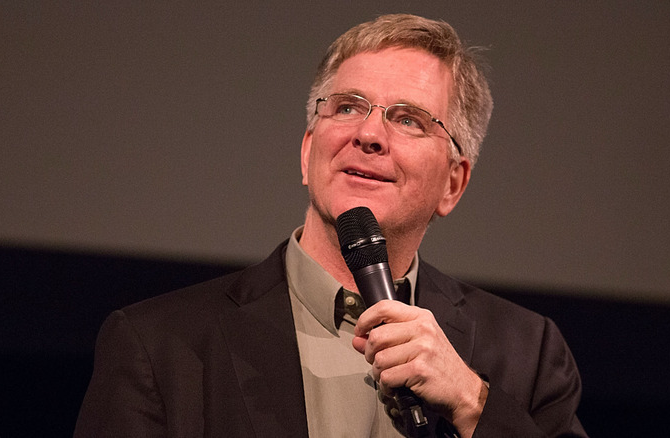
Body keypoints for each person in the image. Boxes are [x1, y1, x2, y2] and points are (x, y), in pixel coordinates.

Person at [74, 14, 587, 438]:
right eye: (347, 107)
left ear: (453, 183)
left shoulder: (528, 354)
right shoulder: (159, 345)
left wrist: (474, 403)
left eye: (408, 119)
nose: (368, 134)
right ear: (307, 152)